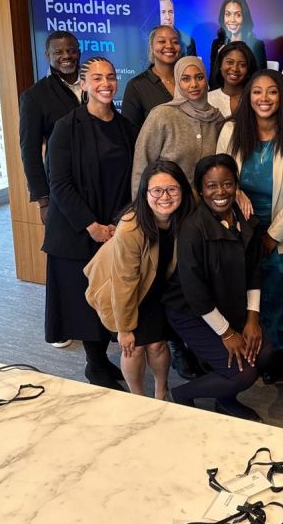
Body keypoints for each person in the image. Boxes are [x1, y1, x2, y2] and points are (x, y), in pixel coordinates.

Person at [42, 56, 137, 388]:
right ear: (83, 84)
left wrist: (120, 222)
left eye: (110, 77)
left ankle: (101, 361)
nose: (105, 84)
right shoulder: (66, 127)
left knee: (107, 293)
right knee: (82, 299)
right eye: (97, 78)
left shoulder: (126, 127)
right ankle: (94, 365)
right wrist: (91, 226)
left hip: (114, 226)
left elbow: (133, 179)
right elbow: (59, 183)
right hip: (76, 229)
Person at [162, 154, 271, 420]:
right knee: (244, 373)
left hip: (228, 303)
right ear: (200, 190)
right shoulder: (192, 229)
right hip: (192, 312)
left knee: (265, 352)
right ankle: (182, 395)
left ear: (236, 185)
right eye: (211, 186)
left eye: (227, 184)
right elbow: (195, 293)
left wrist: (252, 320)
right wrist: (227, 333)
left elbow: (254, 271)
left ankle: (224, 400)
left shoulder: (244, 219)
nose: (220, 192)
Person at [217, 70, 283, 383]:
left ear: (282, 97)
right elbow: (218, 176)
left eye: (272, 92)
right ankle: (238, 349)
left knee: (273, 296)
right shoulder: (230, 130)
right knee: (237, 292)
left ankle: (272, 354)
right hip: (237, 228)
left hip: (280, 232)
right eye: (257, 92)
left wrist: (272, 235)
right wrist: (235, 191)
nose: (264, 98)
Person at [84, 159, 193, 399]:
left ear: (182, 190)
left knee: (157, 345)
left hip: (160, 288)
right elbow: (124, 282)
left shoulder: (186, 214)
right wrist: (124, 329)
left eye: (172, 189)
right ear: (145, 194)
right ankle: (137, 397)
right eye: (157, 191)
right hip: (131, 290)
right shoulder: (131, 228)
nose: (165, 196)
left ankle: (161, 392)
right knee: (133, 347)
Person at [131, 56, 223, 195]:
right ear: (178, 82)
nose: (194, 84)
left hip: (205, 203)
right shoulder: (162, 115)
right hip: (166, 202)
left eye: (199, 77)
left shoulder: (217, 119)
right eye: (186, 79)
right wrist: (139, 204)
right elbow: (142, 163)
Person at [18, 30, 81, 228]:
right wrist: (43, 200)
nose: (66, 56)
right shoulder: (34, 97)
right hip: (63, 184)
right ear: (47, 56)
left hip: (101, 180)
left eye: (71, 50)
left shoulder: (94, 84)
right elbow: (30, 152)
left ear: (79, 52)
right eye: (58, 52)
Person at [121, 25, 183, 133]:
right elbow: (130, 133)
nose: (169, 45)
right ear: (151, 47)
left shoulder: (189, 81)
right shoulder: (136, 86)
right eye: (162, 41)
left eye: (175, 42)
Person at [209, 0, 267, 72]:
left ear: (244, 18)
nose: (232, 20)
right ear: (223, 17)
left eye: (238, 15)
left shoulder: (256, 45)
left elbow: (260, 77)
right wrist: (219, 60)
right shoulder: (217, 44)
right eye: (228, 14)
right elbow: (213, 78)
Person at [207, 40, 257, 118]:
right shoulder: (207, 99)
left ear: (248, 69)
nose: (235, 69)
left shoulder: (256, 99)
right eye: (230, 62)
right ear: (220, 65)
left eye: (242, 65)